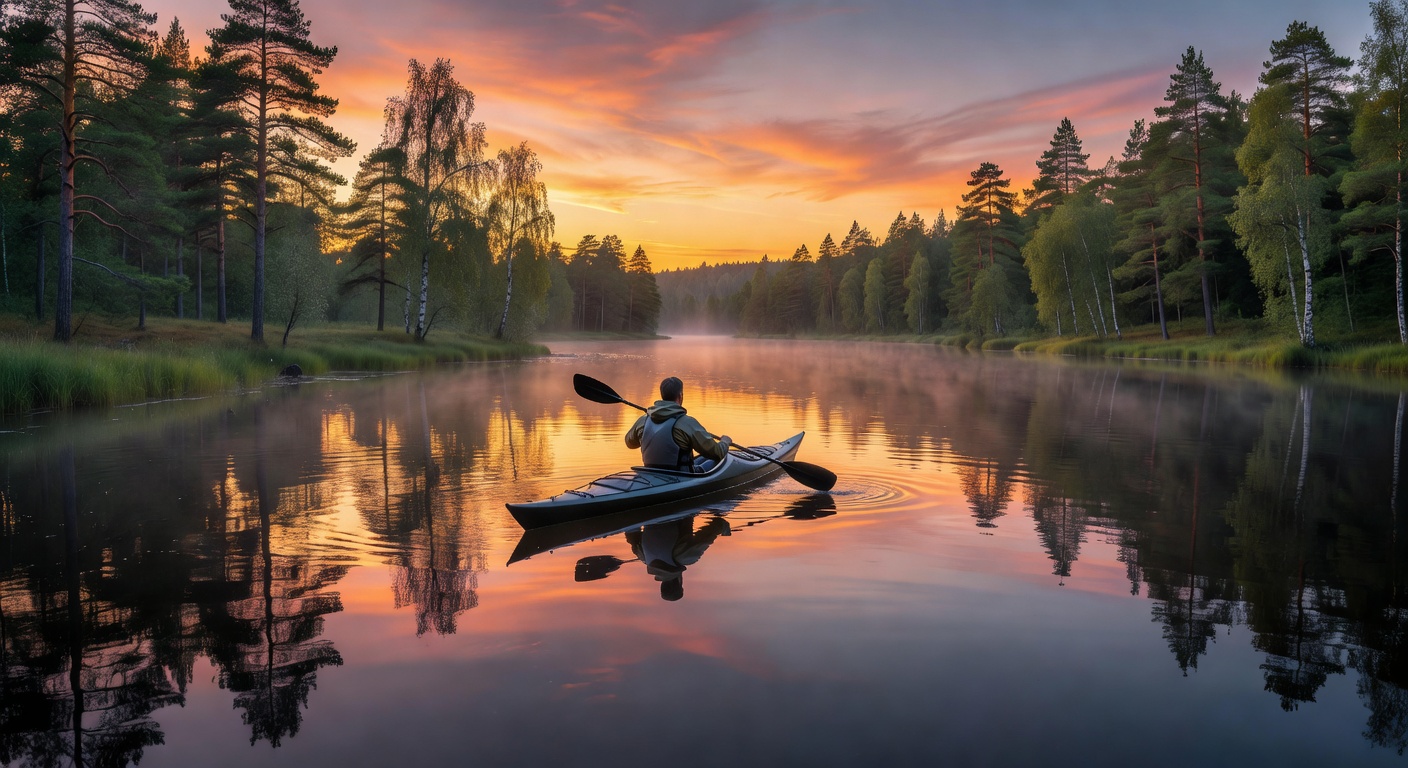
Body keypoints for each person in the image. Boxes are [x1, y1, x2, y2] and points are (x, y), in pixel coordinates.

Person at [624, 376, 732, 472]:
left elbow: (630, 443)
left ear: (662, 395)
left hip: (651, 474)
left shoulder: (643, 420)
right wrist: (725, 442)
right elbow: (717, 452)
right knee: (721, 459)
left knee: (702, 458)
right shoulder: (686, 423)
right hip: (682, 477)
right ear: (680, 396)